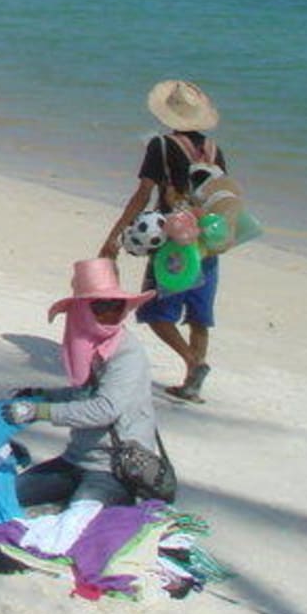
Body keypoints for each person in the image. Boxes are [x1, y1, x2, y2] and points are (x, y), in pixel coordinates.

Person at [100, 79, 230, 402]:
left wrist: (115, 236)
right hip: (208, 241)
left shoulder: (161, 146)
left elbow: (143, 194)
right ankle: (191, 385)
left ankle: (193, 363)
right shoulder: (214, 150)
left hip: (173, 243)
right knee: (199, 316)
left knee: (155, 313)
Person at [0, 258, 164, 509]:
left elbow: (104, 409)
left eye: (118, 305)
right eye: (101, 305)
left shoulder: (126, 352)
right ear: (82, 310)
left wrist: (38, 411)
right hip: (75, 460)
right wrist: (42, 394)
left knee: (79, 519)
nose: (111, 313)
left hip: (114, 468)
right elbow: (84, 394)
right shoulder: (86, 346)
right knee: (4, 497)